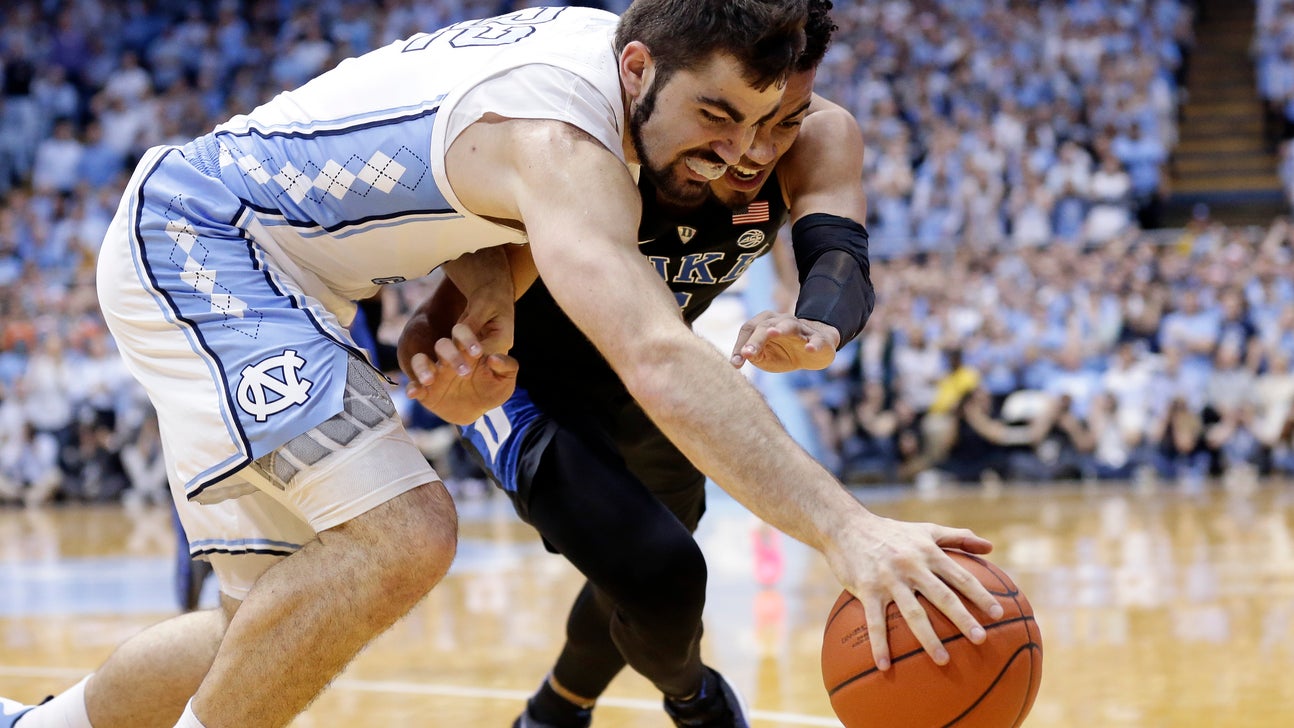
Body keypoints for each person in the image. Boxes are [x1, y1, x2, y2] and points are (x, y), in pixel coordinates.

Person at [3, 3, 1000, 728]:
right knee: (406, 531)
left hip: (296, 273)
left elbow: (464, 243)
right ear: (643, 68)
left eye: (771, 123)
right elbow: (654, 350)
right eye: (715, 116)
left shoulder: (600, 84)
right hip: (211, 241)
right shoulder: (564, 138)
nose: (740, 156)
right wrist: (848, 529)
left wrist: (463, 317)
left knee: (262, 626)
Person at [399, 3, 996, 726]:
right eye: (739, 116)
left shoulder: (823, 136)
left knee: (653, 568)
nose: (755, 149)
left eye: (784, 119)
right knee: (661, 574)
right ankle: (697, 701)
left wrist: (818, 326)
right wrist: (442, 367)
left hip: (655, 374)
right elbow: (435, 322)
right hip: (520, 381)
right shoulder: (603, 134)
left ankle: (555, 709)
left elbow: (841, 260)